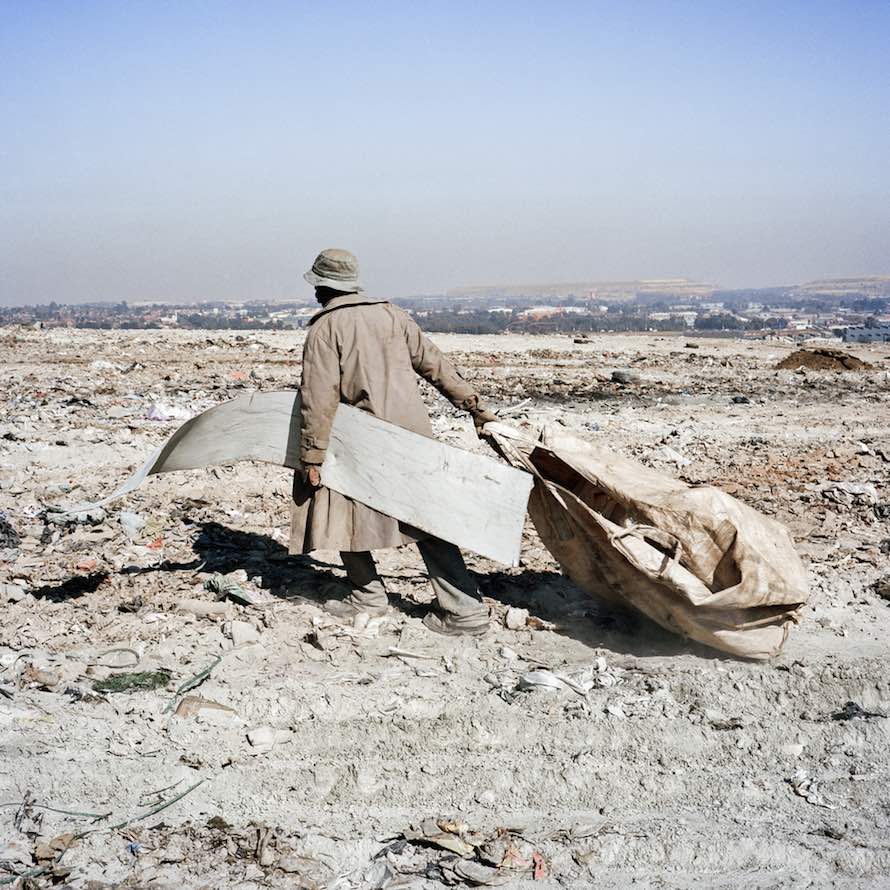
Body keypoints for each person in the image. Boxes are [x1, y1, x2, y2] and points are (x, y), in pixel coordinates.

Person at [290, 248, 499, 635]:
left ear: (322, 286)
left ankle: (368, 595)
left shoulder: (324, 329)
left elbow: (318, 398)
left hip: (362, 438)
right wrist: (474, 406)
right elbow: (436, 365)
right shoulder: (392, 315)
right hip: (411, 436)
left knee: (333, 502)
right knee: (426, 519)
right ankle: (464, 608)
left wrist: (312, 456)